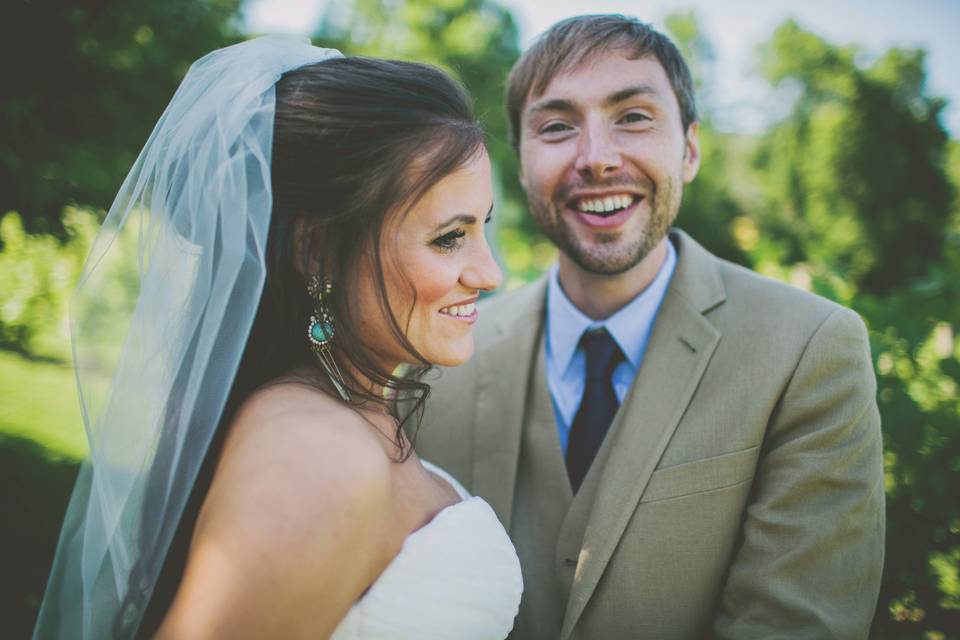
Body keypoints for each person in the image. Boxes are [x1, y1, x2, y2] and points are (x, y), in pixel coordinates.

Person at [413, 14, 885, 640]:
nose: (597, 159)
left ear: (689, 149)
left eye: (633, 117)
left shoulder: (810, 350)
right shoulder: (439, 357)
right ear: (521, 166)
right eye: (556, 127)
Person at [34, 36, 521, 640]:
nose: (489, 274)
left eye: (482, 229)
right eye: (450, 237)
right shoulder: (316, 453)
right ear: (315, 250)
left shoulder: (339, 412)